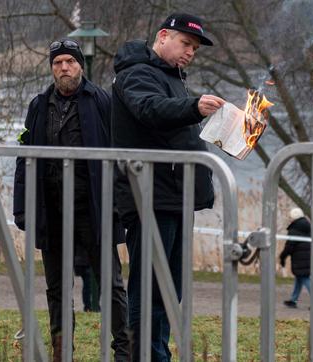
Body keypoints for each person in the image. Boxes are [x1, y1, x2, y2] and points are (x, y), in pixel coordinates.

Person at [111, 13, 225, 360]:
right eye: (186, 44)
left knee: (168, 288)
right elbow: (152, 110)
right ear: (163, 36)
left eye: (194, 48)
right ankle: (145, 356)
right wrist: (194, 106)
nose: (190, 52)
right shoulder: (137, 74)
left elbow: (174, 124)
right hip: (149, 197)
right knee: (150, 288)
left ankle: (155, 354)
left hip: (174, 195)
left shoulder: (173, 78)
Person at [12, 38, 130, 361]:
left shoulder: (101, 101)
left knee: (112, 285)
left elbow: (118, 156)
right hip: (51, 213)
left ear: (80, 65)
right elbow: (25, 158)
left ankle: (124, 352)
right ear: (52, 68)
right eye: (58, 63)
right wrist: (22, 208)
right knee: (58, 291)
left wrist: (119, 207)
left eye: (70, 62)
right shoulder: (38, 106)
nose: (64, 68)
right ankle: (63, 353)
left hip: (93, 210)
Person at [280, 208, 312, 308]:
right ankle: (293, 300)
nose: (290, 219)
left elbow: (289, 246)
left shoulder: (294, 229)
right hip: (307, 256)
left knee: (305, 278)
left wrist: (282, 256)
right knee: (300, 278)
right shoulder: (307, 226)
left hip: (299, 258)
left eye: (290, 217)